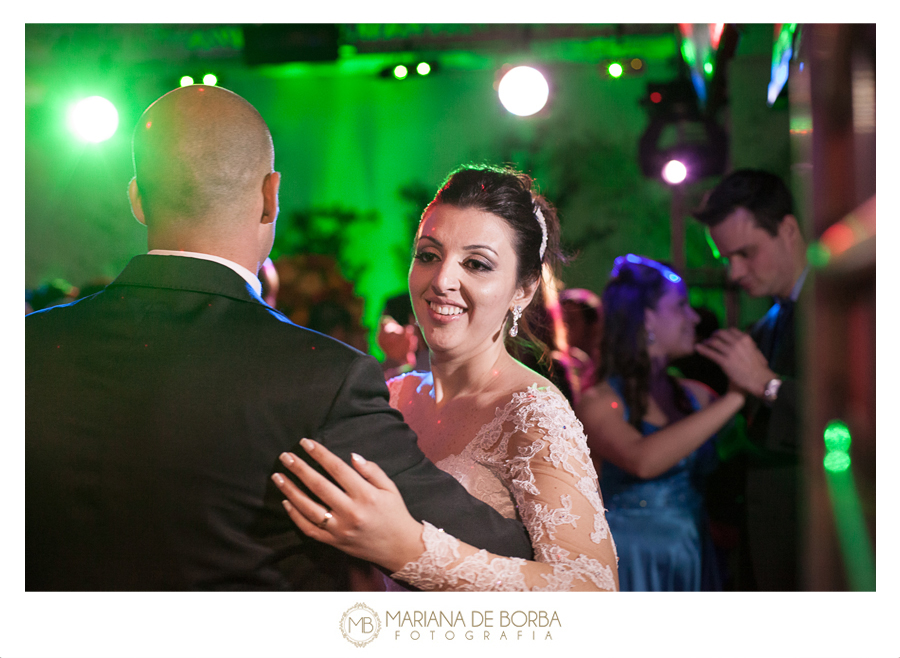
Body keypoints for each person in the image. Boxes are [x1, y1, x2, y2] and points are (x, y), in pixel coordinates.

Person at [25, 86, 532, 591]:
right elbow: (500, 550)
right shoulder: (322, 379)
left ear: (137, 199)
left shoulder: (28, 347)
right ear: (271, 195)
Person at [272, 165, 620, 591]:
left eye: (476, 264)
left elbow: (592, 589)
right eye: (428, 255)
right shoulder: (392, 394)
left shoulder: (533, 413)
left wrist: (407, 550)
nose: (442, 281)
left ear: (522, 290)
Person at [574, 255, 747, 591]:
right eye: (682, 305)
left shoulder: (696, 395)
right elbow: (642, 460)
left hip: (695, 554)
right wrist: (736, 397)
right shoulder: (599, 401)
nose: (694, 317)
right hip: (634, 559)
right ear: (647, 319)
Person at [692, 169, 808, 591]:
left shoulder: (845, 308)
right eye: (727, 260)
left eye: (747, 253)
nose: (736, 272)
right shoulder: (764, 328)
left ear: (788, 229)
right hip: (767, 544)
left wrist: (767, 384)